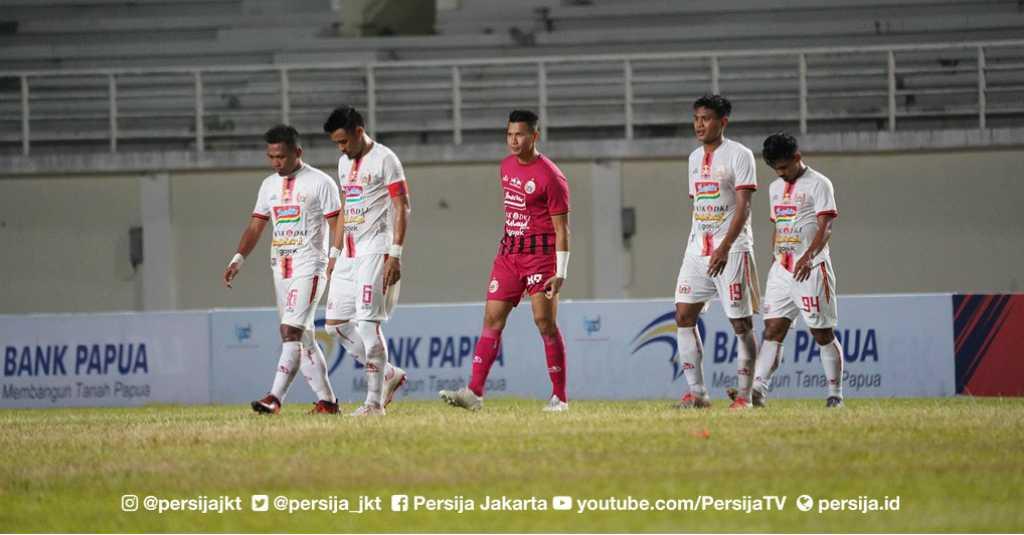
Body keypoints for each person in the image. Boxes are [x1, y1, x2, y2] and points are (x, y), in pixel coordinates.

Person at [439, 109, 572, 412]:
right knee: (492, 318)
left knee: (544, 322)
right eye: (510, 134)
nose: (513, 140)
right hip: (509, 254)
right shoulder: (506, 166)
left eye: (520, 134)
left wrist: (560, 271)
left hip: (541, 257)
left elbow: (562, 229)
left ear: (534, 136)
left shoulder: (551, 176)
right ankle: (474, 392)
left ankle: (559, 398)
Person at [224, 125, 341, 415]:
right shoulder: (268, 186)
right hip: (281, 268)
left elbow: (338, 221)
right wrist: (239, 257)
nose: (276, 162)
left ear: (297, 152)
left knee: (290, 331)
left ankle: (274, 398)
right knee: (304, 339)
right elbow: (256, 225)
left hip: (310, 266)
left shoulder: (320, 183)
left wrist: (335, 256)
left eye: (282, 156)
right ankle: (327, 402)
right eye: (271, 156)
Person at [737, 132, 844, 408]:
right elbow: (779, 224)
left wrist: (809, 257)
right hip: (782, 270)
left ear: (797, 157)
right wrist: (774, 258)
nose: (781, 173)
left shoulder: (819, 184)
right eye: (776, 169)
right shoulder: (774, 188)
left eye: (785, 167)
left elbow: (826, 227)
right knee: (772, 330)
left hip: (811, 269)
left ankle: (835, 395)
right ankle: (758, 390)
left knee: (822, 333)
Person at [321, 106, 410, 417]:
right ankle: (389, 374)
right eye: (337, 144)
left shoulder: (385, 159)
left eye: (344, 141)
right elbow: (347, 205)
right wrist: (333, 254)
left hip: (376, 250)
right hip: (348, 252)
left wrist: (395, 254)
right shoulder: (344, 163)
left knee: (368, 325)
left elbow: (402, 206)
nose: (342, 148)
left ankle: (373, 404)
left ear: (359, 131)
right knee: (334, 326)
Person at [674, 94, 760, 409]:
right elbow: (697, 204)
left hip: (732, 249)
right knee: (683, 315)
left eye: (706, 118)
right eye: (696, 118)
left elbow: (744, 206)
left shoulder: (740, 155)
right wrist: (699, 242)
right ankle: (698, 394)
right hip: (697, 249)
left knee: (740, 324)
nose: (699, 124)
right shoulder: (694, 158)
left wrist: (724, 246)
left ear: (722, 122)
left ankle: (745, 396)